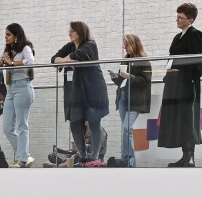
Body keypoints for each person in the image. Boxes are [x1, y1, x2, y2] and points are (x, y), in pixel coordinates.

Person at [158, 3, 202, 167]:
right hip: (174, 83)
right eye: (177, 16)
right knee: (178, 118)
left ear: (191, 19)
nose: (177, 19)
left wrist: (191, 77)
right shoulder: (177, 37)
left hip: (186, 83)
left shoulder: (196, 35)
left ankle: (190, 155)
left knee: (188, 118)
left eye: (181, 17)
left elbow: (201, 60)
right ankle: (183, 155)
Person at [52, 21, 109, 165]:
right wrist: (66, 60)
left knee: (94, 122)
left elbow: (76, 56)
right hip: (76, 91)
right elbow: (54, 59)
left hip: (93, 90)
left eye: (72, 31)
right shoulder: (70, 46)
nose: (69, 33)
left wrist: (64, 60)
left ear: (81, 32)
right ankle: (83, 155)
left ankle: (94, 156)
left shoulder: (90, 44)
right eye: (69, 30)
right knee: (75, 122)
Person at [0, 23, 35, 167]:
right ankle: (25, 156)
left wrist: (11, 63)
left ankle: (22, 160)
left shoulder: (25, 48)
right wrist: (4, 62)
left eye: (8, 34)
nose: (5, 37)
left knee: (22, 125)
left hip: (23, 87)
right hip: (10, 89)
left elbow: (30, 62)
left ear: (16, 36)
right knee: (7, 128)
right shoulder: (8, 51)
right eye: (5, 34)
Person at [109, 34, 151, 167]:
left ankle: (130, 162)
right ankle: (125, 159)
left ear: (134, 44)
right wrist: (115, 78)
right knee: (126, 129)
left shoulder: (144, 61)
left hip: (135, 100)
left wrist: (130, 76)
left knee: (127, 128)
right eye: (124, 45)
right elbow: (122, 82)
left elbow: (146, 81)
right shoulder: (125, 60)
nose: (125, 48)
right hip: (122, 97)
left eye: (127, 45)